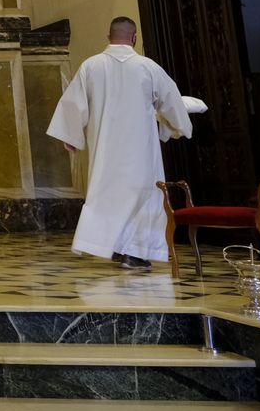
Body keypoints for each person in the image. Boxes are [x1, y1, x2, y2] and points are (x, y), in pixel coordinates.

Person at [47, 16, 193, 271]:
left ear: (108, 37)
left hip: (106, 148)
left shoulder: (91, 67)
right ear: (134, 38)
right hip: (141, 150)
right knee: (143, 196)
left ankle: (114, 246)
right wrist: (179, 127)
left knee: (107, 196)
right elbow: (171, 103)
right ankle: (134, 252)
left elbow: (73, 104)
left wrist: (70, 136)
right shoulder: (148, 67)